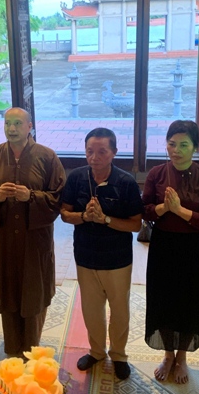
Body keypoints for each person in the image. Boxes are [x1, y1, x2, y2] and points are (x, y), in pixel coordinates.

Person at [0, 108, 65, 356]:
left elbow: (58, 198)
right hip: (3, 239)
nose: (11, 129)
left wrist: (31, 196)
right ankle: (12, 346)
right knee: (8, 288)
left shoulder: (47, 156)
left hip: (34, 240)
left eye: (17, 123)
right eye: (7, 123)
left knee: (33, 290)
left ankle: (31, 347)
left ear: (30, 126)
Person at [142, 120, 199, 384]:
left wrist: (180, 210)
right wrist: (164, 208)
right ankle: (167, 355)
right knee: (163, 300)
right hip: (163, 245)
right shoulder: (156, 174)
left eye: (183, 145)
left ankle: (182, 356)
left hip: (194, 248)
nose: (176, 150)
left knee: (190, 302)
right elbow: (145, 211)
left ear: (195, 147)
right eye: (171, 144)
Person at [60, 128, 142, 380]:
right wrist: (84, 216)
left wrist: (105, 219)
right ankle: (96, 351)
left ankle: (118, 354)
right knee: (91, 309)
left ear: (114, 153)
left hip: (117, 259)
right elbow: (64, 214)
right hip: (85, 256)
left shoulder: (126, 182)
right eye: (89, 152)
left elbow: (136, 224)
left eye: (102, 152)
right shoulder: (76, 178)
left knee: (119, 311)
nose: (94, 157)